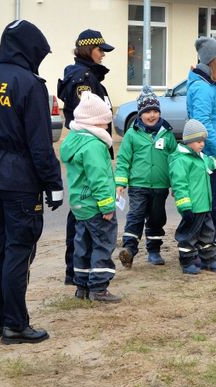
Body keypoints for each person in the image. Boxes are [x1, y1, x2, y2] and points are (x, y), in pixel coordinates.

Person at [0, 20, 63, 344]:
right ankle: (15, 324)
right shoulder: (31, 85)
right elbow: (39, 144)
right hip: (20, 181)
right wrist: (53, 184)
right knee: (19, 250)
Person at [57, 29, 114, 286]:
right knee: (83, 222)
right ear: (87, 50)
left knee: (82, 220)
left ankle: (82, 273)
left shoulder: (90, 75)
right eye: (100, 49)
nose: (103, 54)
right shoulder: (83, 78)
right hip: (88, 150)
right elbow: (84, 113)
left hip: (90, 147)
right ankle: (78, 273)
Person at [59, 91, 120, 302]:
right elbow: (99, 179)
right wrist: (107, 206)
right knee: (103, 244)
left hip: (79, 206)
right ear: (94, 122)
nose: (106, 127)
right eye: (104, 123)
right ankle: (99, 288)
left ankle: (82, 286)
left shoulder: (74, 141)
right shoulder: (93, 146)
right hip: (95, 206)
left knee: (82, 246)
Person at [116, 86, 177, 268]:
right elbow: (123, 160)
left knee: (157, 218)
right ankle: (129, 249)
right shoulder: (132, 134)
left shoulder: (167, 134)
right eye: (147, 111)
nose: (151, 115)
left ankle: (154, 250)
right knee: (135, 215)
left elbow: (175, 161)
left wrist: (175, 183)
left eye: (155, 111)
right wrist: (120, 182)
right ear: (140, 113)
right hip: (138, 185)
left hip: (160, 186)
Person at [187, 37, 216, 262]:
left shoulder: (212, 86)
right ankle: (207, 249)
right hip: (212, 156)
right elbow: (203, 124)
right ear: (211, 60)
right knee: (210, 203)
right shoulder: (203, 88)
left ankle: (211, 246)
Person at [169, 119, 216, 275]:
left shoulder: (200, 157)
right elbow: (179, 186)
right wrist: (185, 206)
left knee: (208, 234)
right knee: (189, 237)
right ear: (189, 141)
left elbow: (210, 163)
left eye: (203, 141)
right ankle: (187, 262)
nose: (202, 144)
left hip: (205, 206)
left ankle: (208, 260)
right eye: (198, 141)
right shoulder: (181, 160)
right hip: (192, 207)